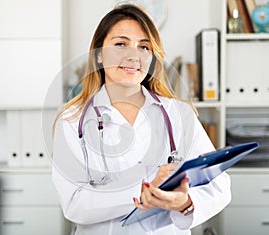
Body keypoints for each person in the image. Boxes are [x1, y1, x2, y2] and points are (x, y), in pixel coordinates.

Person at [52, 4, 231, 235]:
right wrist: (144, 191)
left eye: (144, 47)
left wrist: (185, 202)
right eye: (120, 44)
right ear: (98, 54)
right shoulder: (72, 119)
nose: (133, 55)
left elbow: (219, 186)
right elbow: (74, 204)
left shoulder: (179, 115)